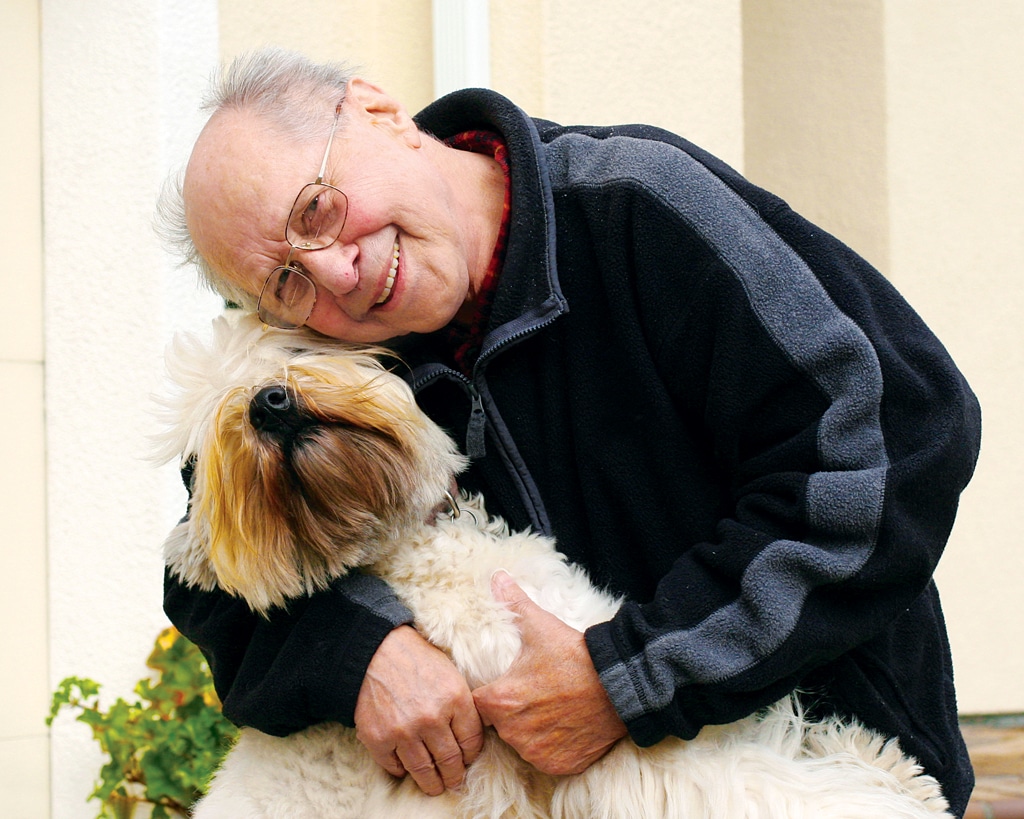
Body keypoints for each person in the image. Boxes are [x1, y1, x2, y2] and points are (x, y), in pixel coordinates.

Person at [161, 47, 982, 816]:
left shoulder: (640, 207)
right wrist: (359, 655)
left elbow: (894, 440)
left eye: (319, 208)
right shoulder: (320, 351)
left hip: (821, 769)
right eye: (286, 280)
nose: (336, 269)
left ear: (377, 112)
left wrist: (627, 676)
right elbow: (208, 569)